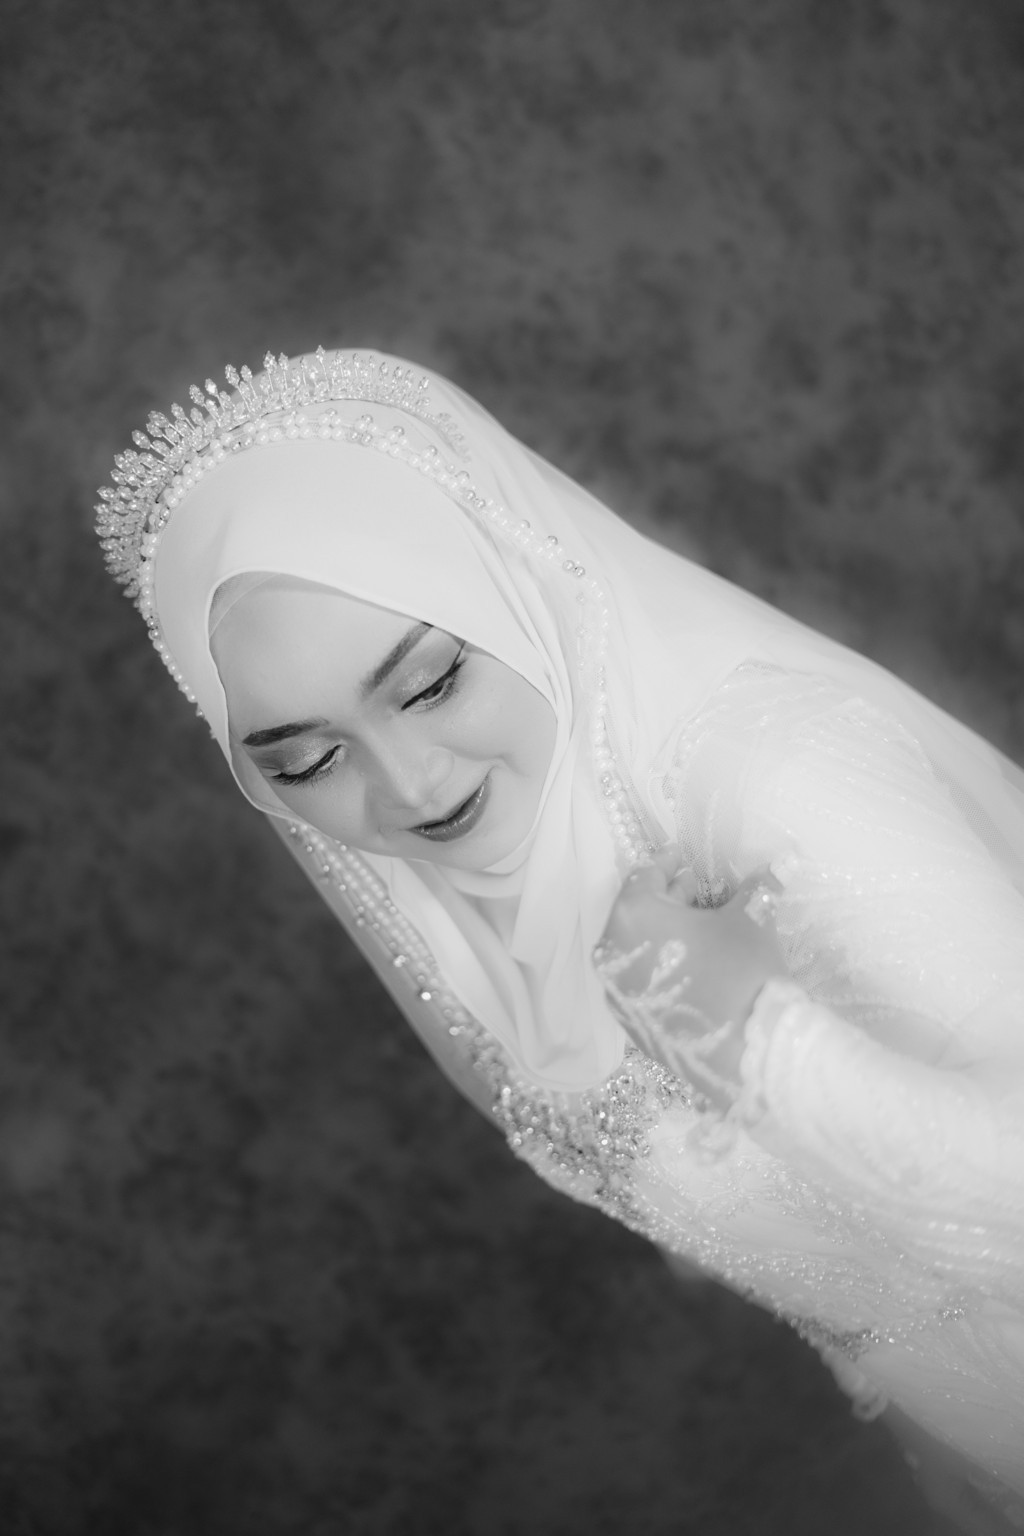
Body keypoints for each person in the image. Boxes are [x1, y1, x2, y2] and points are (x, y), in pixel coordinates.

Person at [97, 348, 1024, 1531]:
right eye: (310, 760)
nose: (410, 786)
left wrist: (754, 1046)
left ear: (513, 587)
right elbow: (846, 1282)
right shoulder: (454, 930)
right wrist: (930, 1423)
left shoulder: (775, 783)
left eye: (430, 683)